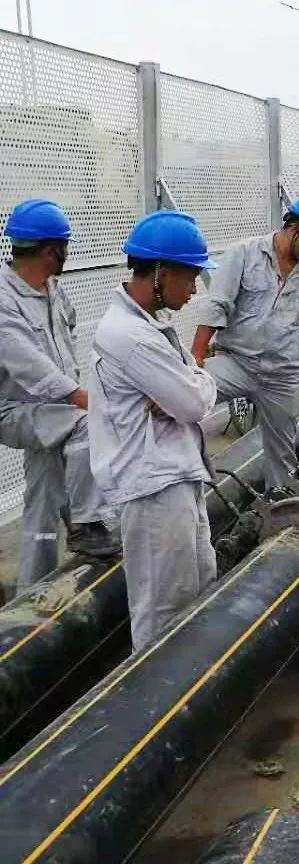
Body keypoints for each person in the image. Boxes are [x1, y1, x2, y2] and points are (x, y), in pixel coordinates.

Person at [88, 211, 218, 652]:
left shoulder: (148, 328)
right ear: (161, 272)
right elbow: (195, 402)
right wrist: (191, 386)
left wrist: (191, 381)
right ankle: (157, 712)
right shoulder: (131, 337)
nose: (194, 288)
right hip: (154, 488)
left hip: (173, 477)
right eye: (191, 276)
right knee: (163, 611)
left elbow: (192, 392)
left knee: (197, 595)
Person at [0, 199, 118, 592]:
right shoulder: (3, 298)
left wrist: (76, 389)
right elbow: (27, 362)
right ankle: (86, 524)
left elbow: (66, 346)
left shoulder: (53, 290)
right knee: (89, 423)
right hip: (16, 411)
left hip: (51, 414)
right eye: (65, 246)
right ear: (52, 250)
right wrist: (79, 396)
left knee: (41, 508)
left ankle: (29, 599)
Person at [189, 195, 299, 491]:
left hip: (283, 374)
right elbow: (217, 305)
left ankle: (279, 504)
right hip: (237, 363)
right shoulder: (243, 254)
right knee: (186, 399)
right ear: (296, 228)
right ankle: (186, 480)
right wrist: (196, 355)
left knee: (281, 451)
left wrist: (282, 348)